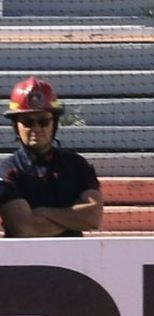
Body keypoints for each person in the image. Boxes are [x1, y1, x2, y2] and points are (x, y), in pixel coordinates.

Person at [0, 77, 102, 237]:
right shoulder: (7, 171)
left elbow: (93, 217)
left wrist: (42, 213)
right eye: (27, 122)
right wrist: (71, 219)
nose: (36, 128)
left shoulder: (77, 165)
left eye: (43, 121)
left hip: (74, 259)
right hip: (25, 260)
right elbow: (25, 227)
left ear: (54, 123)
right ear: (16, 125)